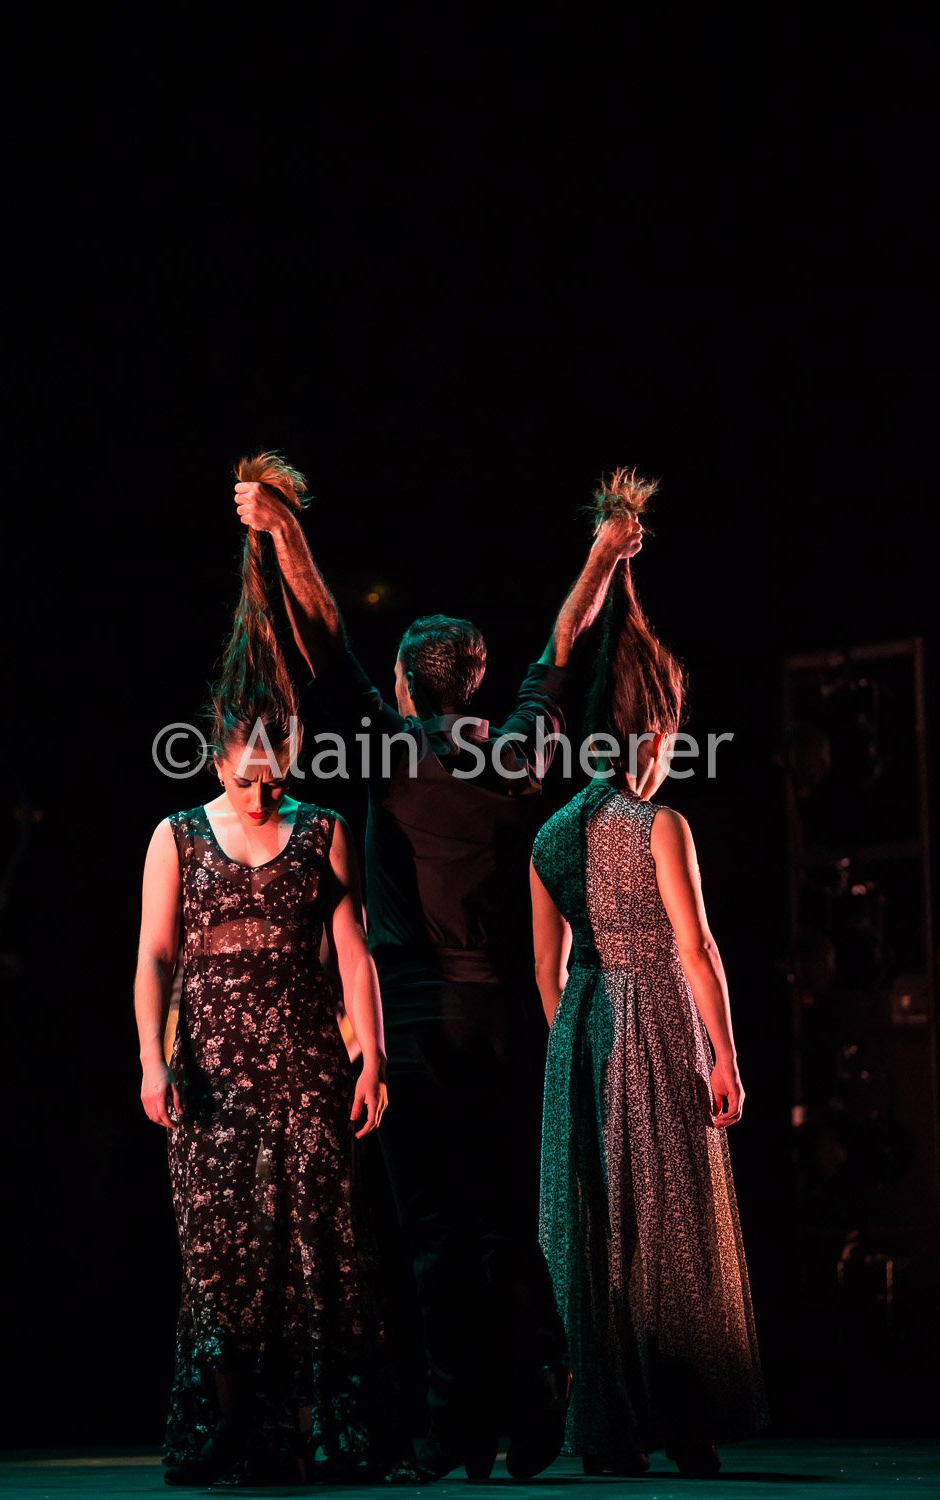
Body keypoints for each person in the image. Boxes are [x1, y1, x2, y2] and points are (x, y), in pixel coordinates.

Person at [232, 454, 643, 1480]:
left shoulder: (382, 748)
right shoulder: (519, 751)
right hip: (505, 1020)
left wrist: (282, 529)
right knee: (501, 1221)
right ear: (479, 676)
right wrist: (603, 551)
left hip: (416, 1022)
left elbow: (322, 630)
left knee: (431, 1232)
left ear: (410, 682)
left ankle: (456, 1428)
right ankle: (533, 1384)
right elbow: (564, 645)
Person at [134, 453, 419, 1486]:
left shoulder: (321, 827)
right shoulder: (176, 833)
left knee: (316, 1245)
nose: (262, 792)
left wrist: (371, 1058)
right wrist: (152, 1060)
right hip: (212, 1064)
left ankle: (314, 1430)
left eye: (277, 771)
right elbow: (154, 956)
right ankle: (227, 1428)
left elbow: (353, 951)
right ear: (218, 756)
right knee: (220, 1252)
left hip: (302, 1059)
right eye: (247, 774)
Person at [530, 472, 769, 1478]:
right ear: (657, 729)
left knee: (595, 1225)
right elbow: (696, 948)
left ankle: (609, 1420)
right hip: (655, 1016)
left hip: (582, 1024)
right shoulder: (659, 824)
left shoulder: (549, 835)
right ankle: (684, 1415)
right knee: (669, 1216)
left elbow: (546, 970)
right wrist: (723, 1054)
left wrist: (575, 1046)